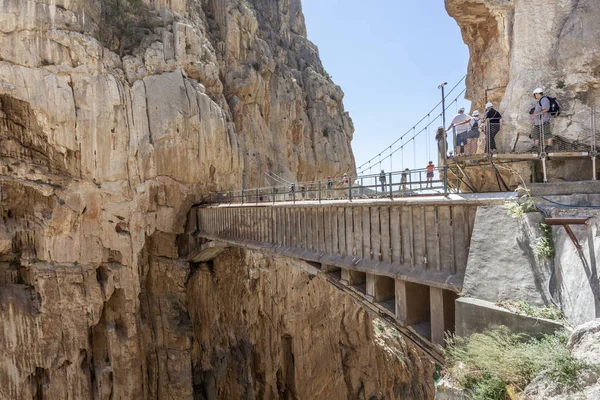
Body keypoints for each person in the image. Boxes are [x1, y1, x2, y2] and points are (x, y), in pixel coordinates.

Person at [530, 88, 554, 152]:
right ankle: (535, 147)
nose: (534, 96)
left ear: (537, 93)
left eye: (534, 94)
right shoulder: (540, 100)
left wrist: (536, 114)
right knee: (536, 134)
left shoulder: (544, 99)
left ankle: (549, 146)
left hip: (544, 120)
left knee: (547, 133)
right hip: (538, 121)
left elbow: (546, 109)